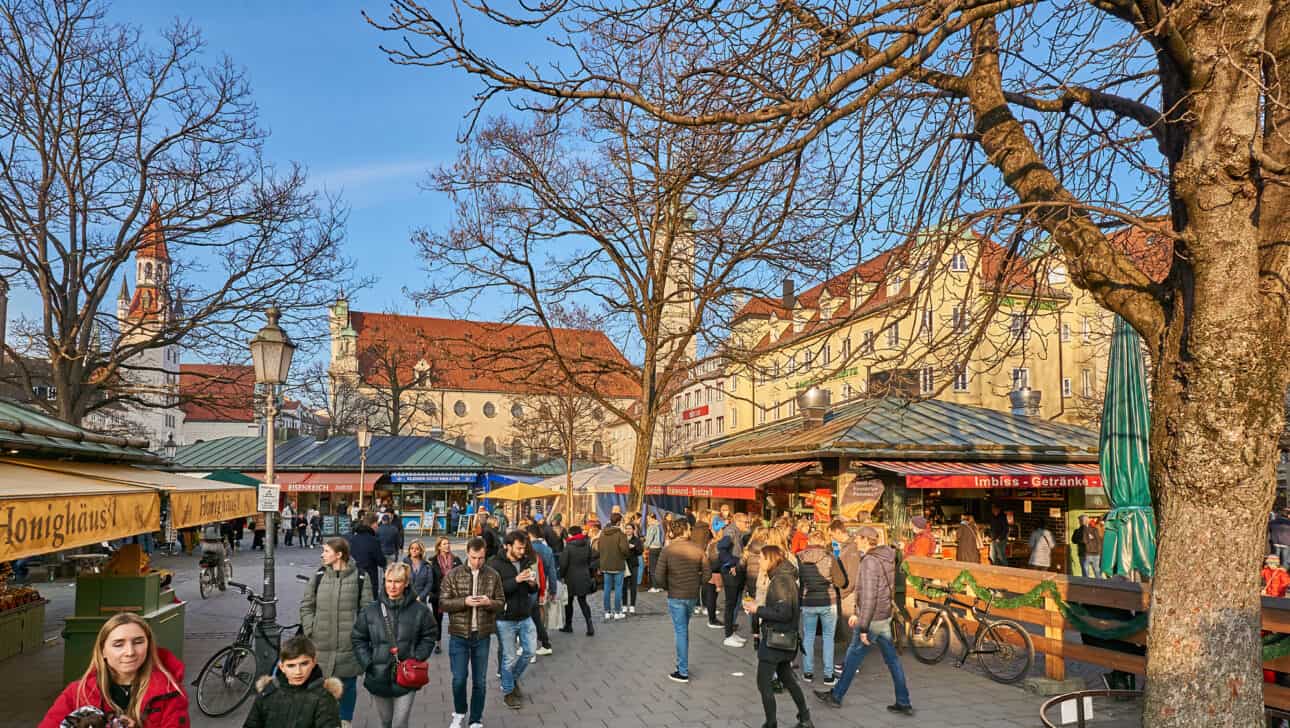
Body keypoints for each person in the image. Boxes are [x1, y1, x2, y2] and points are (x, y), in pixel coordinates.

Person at [816, 527, 912, 715]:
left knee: (853, 657)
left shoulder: (869, 561)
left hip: (872, 619)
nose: (855, 541)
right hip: (883, 615)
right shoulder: (887, 557)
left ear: (866, 540)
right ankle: (903, 701)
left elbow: (869, 597)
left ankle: (836, 696)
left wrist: (863, 626)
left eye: (858, 538)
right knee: (891, 660)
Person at [39, 612, 188, 728]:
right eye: (118, 644)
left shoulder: (169, 693)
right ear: (103, 651)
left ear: (149, 646)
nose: (130, 652)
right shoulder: (78, 693)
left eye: (138, 642)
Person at [352, 562, 438, 728]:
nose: (392, 586)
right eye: (389, 581)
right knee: (386, 721)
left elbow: (429, 635)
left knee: (399, 723)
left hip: (407, 674)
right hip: (378, 674)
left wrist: (417, 656)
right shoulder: (370, 610)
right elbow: (358, 638)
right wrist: (368, 663)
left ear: (406, 583)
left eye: (397, 581)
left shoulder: (420, 610)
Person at [299, 537, 371, 728]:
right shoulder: (319, 575)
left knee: (347, 688)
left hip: (348, 646)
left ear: (339, 555)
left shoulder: (361, 577)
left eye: (326, 551)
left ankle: (345, 723)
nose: (322, 554)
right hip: (320, 644)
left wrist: (358, 635)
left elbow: (367, 612)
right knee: (319, 690)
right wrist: (310, 629)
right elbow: (307, 605)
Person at [746, 545, 813, 728]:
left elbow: (784, 612)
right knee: (787, 678)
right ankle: (805, 718)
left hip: (776, 640)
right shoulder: (784, 576)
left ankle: (771, 723)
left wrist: (757, 609)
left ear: (770, 559)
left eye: (761, 558)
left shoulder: (780, 580)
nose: (759, 562)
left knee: (763, 682)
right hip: (785, 640)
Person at [441, 537, 504, 728]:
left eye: (481, 558)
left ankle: (476, 718)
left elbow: (501, 603)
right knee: (459, 679)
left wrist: (488, 602)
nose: (478, 562)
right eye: (474, 557)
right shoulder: (454, 574)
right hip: (459, 635)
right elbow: (442, 603)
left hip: (482, 635)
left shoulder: (493, 575)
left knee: (480, 681)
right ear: (467, 553)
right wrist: (464, 602)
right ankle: (459, 712)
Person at [242, 635, 341, 728]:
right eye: (291, 665)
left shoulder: (324, 698)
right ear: (282, 667)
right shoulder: (268, 691)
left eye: (304, 664)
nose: (298, 672)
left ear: (314, 662)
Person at [489, 531, 539, 710]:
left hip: (525, 615)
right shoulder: (495, 564)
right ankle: (509, 692)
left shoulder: (525, 561)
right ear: (508, 546)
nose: (522, 550)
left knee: (530, 651)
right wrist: (516, 580)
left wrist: (533, 585)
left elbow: (532, 590)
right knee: (509, 658)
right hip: (506, 618)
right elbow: (494, 592)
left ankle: (511, 678)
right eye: (518, 547)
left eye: (524, 547)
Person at [655, 519, 705, 683]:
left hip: (676, 594)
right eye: (689, 528)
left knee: (681, 630)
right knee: (683, 628)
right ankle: (682, 668)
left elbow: (658, 576)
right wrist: (698, 583)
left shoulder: (668, 551)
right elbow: (707, 573)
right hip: (691, 595)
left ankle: (682, 671)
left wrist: (668, 587)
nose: (691, 531)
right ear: (684, 531)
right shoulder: (697, 549)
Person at [798, 531, 848, 685]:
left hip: (808, 601)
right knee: (828, 638)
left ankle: (808, 673)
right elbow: (841, 582)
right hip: (828, 601)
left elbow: (797, 580)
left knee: (808, 637)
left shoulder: (799, 557)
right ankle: (828, 675)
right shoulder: (829, 557)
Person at [558, 525, 598, 636]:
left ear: (571, 534)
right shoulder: (586, 545)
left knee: (568, 603)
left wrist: (561, 575)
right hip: (584, 576)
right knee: (583, 602)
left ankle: (568, 625)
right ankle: (590, 626)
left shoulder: (568, 547)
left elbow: (563, 564)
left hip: (570, 577)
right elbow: (591, 559)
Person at [526, 524, 558, 655]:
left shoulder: (528, 549)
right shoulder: (547, 549)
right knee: (539, 611)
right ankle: (542, 636)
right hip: (543, 584)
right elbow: (552, 571)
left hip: (532, 583)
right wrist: (553, 589)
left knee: (530, 614)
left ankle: (533, 640)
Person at [428, 536, 461, 654]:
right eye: (444, 544)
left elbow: (462, 576)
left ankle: (456, 642)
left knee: (455, 619)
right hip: (438, 595)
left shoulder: (456, 559)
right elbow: (430, 579)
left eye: (448, 543)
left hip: (454, 595)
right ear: (439, 546)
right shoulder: (432, 561)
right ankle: (438, 644)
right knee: (437, 620)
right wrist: (432, 592)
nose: (447, 545)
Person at [717, 517, 746, 646]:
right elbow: (722, 548)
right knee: (730, 604)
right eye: (746, 522)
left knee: (734, 603)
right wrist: (731, 563)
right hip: (730, 573)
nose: (747, 524)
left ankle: (731, 633)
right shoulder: (731, 531)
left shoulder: (737, 532)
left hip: (737, 571)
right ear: (738, 521)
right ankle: (728, 635)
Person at [597, 512, 630, 621]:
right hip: (618, 564)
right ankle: (617, 611)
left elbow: (599, 548)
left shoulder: (603, 533)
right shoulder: (621, 534)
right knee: (618, 588)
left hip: (605, 564)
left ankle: (607, 612)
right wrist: (626, 554)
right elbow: (625, 550)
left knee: (606, 588)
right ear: (619, 522)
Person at [349, 514, 387, 600]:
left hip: (354, 574)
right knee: (370, 601)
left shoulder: (352, 538)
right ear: (372, 524)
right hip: (370, 575)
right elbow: (381, 561)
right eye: (376, 523)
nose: (377, 526)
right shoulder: (374, 540)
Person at [197, 521, 228, 591]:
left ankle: (212, 579)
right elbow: (224, 537)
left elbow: (200, 537)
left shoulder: (203, 524)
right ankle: (221, 583)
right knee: (220, 565)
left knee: (210, 562)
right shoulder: (219, 524)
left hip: (205, 546)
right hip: (216, 545)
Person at [622, 521, 644, 614]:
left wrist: (634, 547)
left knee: (633, 586)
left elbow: (640, 551)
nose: (628, 530)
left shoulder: (637, 540)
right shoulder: (622, 539)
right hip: (624, 565)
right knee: (623, 586)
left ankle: (632, 605)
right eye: (626, 528)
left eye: (630, 529)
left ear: (633, 530)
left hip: (633, 565)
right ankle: (624, 605)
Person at [405, 540, 433, 604]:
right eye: (412, 548)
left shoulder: (427, 565)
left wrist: (421, 597)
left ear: (421, 551)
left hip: (421, 600)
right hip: (406, 599)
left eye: (417, 549)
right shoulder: (404, 564)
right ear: (409, 550)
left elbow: (429, 583)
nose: (414, 550)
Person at [645, 512, 665, 592]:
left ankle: (654, 587)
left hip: (653, 548)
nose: (647, 521)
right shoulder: (659, 526)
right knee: (658, 568)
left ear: (651, 518)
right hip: (659, 548)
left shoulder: (651, 527)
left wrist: (645, 545)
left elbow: (649, 539)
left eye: (648, 519)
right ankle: (660, 586)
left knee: (653, 569)